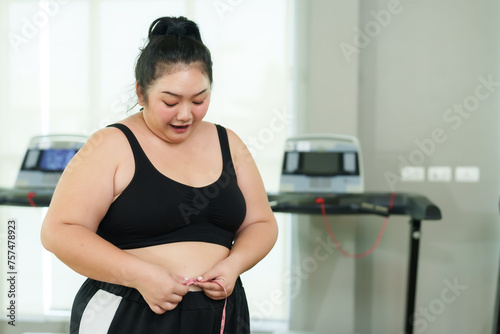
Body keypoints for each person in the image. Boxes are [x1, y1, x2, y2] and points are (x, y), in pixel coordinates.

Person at [40, 16, 278, 334]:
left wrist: (233, 266)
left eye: (199, 100)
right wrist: (139, 275)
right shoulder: (110, 145)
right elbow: (59, 231)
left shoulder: (228, 142)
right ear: (141, 92)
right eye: (170, 101)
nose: (185, 114)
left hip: (218, 313)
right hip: (129, 311)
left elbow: (261, 223)